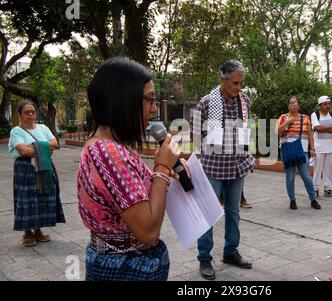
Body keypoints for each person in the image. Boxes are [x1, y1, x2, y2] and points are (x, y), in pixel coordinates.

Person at [77, 57, 186, 281]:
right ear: (122, 101)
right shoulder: (108, 154)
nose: (154, 109)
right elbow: (148, 232)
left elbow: (135, 197)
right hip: (124, 270)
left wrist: (165, 173)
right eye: (148, 100)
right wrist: (162, 168)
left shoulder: (107, 146)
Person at [192, 59, 254, 280]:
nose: (239, 88)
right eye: (235, 83)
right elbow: (196, 134)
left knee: (234, 212)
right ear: (222, 79)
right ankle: (204, 258)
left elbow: (246, 129)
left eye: (241, 83)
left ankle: (230, 252)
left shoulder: (244, 101)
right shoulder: (206, 103)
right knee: (208, 214)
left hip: (237, 165)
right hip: (214, 167)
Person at [8, 100, 65, 247]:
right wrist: (44, 148)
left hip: (45, 166)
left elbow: (55, 144)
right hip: (25, 168)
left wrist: (33, 147)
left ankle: (38, 230)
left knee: (43, 196)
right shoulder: (16, 131)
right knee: (27, 199)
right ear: (19, 114)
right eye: (26, 112)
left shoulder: (43, 127)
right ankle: (27, 232)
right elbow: (23, 151)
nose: (30, 115)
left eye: (32, 112)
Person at [276, 96, 321, 210]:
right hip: (288, 151)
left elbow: (310, 134)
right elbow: (278, 131)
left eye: (295, 102)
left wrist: (312, 148)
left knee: (306, 176)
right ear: (288, 106)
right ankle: (292, 200)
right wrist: (288, 122)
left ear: (298, 105)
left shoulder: (305, 118)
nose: (293, 104)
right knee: (290, 177)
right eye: (291, 103)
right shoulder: (283, 117)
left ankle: (313, 199)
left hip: (302, 151)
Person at [311, 96, 332, 198]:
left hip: (330, 147)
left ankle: (328, 189)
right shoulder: (315, 115)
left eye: (329, 103)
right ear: (320, 106)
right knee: (318, 169)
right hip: (318, 148)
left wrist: (324, 128)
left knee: (329, 169)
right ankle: (315, 189)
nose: (328, 106)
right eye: (325, 104)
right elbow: (318, 128)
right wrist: (331, 127)